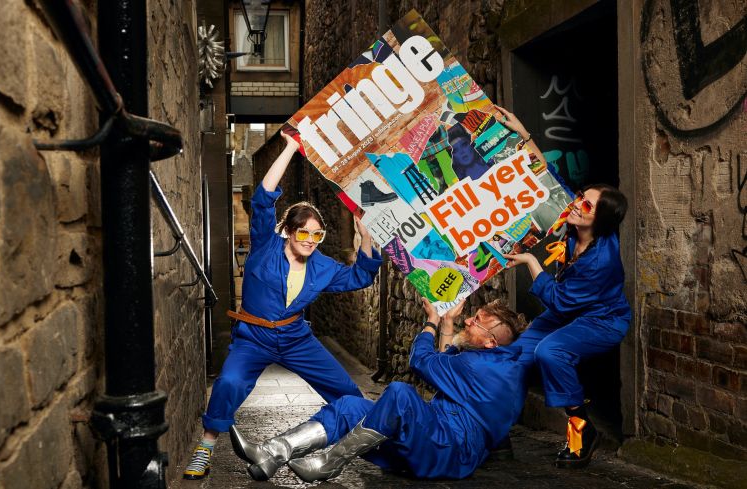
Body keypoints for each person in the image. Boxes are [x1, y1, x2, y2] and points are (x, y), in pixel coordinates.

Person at [183, 132, 383, 479]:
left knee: (347, 391)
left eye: (316, 235)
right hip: (254, 337)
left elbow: (360, 278)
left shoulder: (323, 267)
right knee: (229, 383)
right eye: (303, 233)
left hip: (295, 337)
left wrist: (365, 236)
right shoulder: (265, 246)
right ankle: (206, 447)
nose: (309, 241)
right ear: (289, 231)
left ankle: (342, 451)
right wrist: (292, 146)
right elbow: (263, 199)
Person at [229, 297, 528, 482]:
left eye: (475, 322)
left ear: (491, 341)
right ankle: (272, 453)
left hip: (447, 452)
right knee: (350, 405)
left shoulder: (478, 366)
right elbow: (444, 366)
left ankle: (328, 464)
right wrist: (448, 323)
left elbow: (423, 361)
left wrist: (432, 321)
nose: (468, 320)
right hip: (433, 443)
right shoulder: (500, 364)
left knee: (401, 393)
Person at [498, 106, 631, 469]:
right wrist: (523, 134)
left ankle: (580, 429)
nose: (576, 204)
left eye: (586, 205)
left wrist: (530, 262)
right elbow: (549, 182)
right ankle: (494, 432)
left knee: (550, 352)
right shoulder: (574, 225)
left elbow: (559, 298)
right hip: (566, 311)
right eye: (580, 197)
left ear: (599, 220)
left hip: (601, 320)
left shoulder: (602, 260)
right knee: (514, 357)